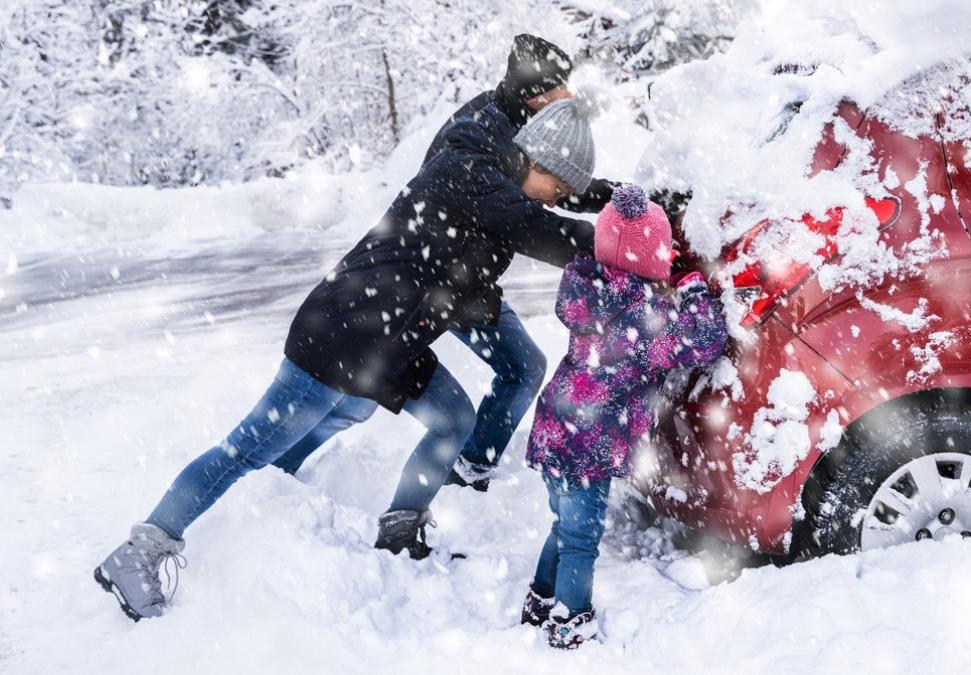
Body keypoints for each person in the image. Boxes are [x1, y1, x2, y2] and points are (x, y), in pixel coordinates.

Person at [94, 98, 598, 622]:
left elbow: (523, 226)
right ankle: (141, 551)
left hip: (388, 344)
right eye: (557, 190)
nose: (556, 202)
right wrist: (623, 243)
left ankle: (399, 528)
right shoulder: (474, 175)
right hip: (338, 337)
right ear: (536, 160)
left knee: (451, 419)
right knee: (247, 449)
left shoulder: (499, 184)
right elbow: (545, 232)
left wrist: (618, 204)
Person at [274, 34, 618, 493]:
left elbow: (556, 181)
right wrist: (611, 246)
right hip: (439, 283)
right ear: (537, 97)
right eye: (562, 89)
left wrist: (620, 202)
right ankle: (275, 476)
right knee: (352, 401)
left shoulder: (529, 131)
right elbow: (522, 216)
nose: (571, 97)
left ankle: (469, 468)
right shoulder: (477, 134)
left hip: (466, 278)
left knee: (522, 366)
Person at [517, 185, 728, 649]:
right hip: (586, 447)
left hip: (556, 429)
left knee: (564, 526)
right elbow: (706, 339)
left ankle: (540, 598)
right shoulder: (646, 320)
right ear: (653, 257)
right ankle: (571, 620)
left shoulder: (588, 292)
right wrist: (692, 289)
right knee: (580, 541)